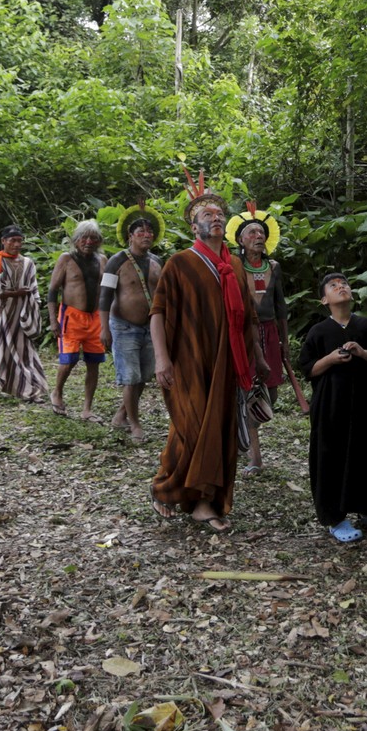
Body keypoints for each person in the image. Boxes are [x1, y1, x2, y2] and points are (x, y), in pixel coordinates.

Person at [150, 172, 269, 532]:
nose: (215, 218)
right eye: (207, 215)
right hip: (190, 359)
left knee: (218, 428)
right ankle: (166, 487)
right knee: (191, 424)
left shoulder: (233, 266)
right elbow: (158, 312)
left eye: (219, 214)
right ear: (194, 226)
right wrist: (161, 358)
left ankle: (204, 502)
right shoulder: (180, 263)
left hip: (228, 361)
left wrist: (258, 357)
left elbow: (248, 316)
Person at [300, 272, 367, 543]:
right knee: (330, 455)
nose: (341, 287)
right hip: (330, 406)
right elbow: (309, 369)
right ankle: (335, 517)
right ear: (324, 299)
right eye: (333, 286)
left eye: (344, 284)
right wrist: (330, 358)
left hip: (366, 403)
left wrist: (362, 353)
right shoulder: (318, 332)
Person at [227, 202, 301, 472]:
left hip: (269, 334)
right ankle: (252, 454)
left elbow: (280, 306)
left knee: (270, 392)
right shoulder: (233, 266)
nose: (258, 237)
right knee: (245, 390)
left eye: (261, 233)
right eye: (252, 233)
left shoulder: (274, 266)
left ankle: (247, 433)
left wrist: (285, 340)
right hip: (243, 334)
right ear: (240, 240)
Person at [100, 205, 164, 443]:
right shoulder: (116, 261)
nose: (146, 235)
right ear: (130, 236)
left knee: (144, 376)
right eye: (141, 232)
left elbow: (165, 294)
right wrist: (103, 327)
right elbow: (105, 295)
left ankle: (121, 414)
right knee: (130, 376)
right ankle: (135, 424)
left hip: (151, 328)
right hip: (123, 326)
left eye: (150, 232)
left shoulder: (158, 261)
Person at [0, 224, 48, 401]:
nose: (16, 244)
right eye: (12, 240)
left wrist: (33, 306)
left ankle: (24, 385)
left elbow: (34, 288)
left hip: (20, 312)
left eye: (19, 241)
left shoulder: (28, 263)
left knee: (21, 349)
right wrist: (13, 293)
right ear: (3, 241)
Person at [48, 220, 107, 419]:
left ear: (99, 241)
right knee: (69, 360)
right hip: (71, 316)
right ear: (76, 240)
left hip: (96, 318)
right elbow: (53, 290)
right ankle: (57, 392)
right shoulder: (66, 259)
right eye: (84, 237)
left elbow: (108, 291)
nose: (88, 241)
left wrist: (109, 321)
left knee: (94, 363)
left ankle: (87, 408)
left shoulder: (102, 260)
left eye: (93, 238)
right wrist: (53, 320)